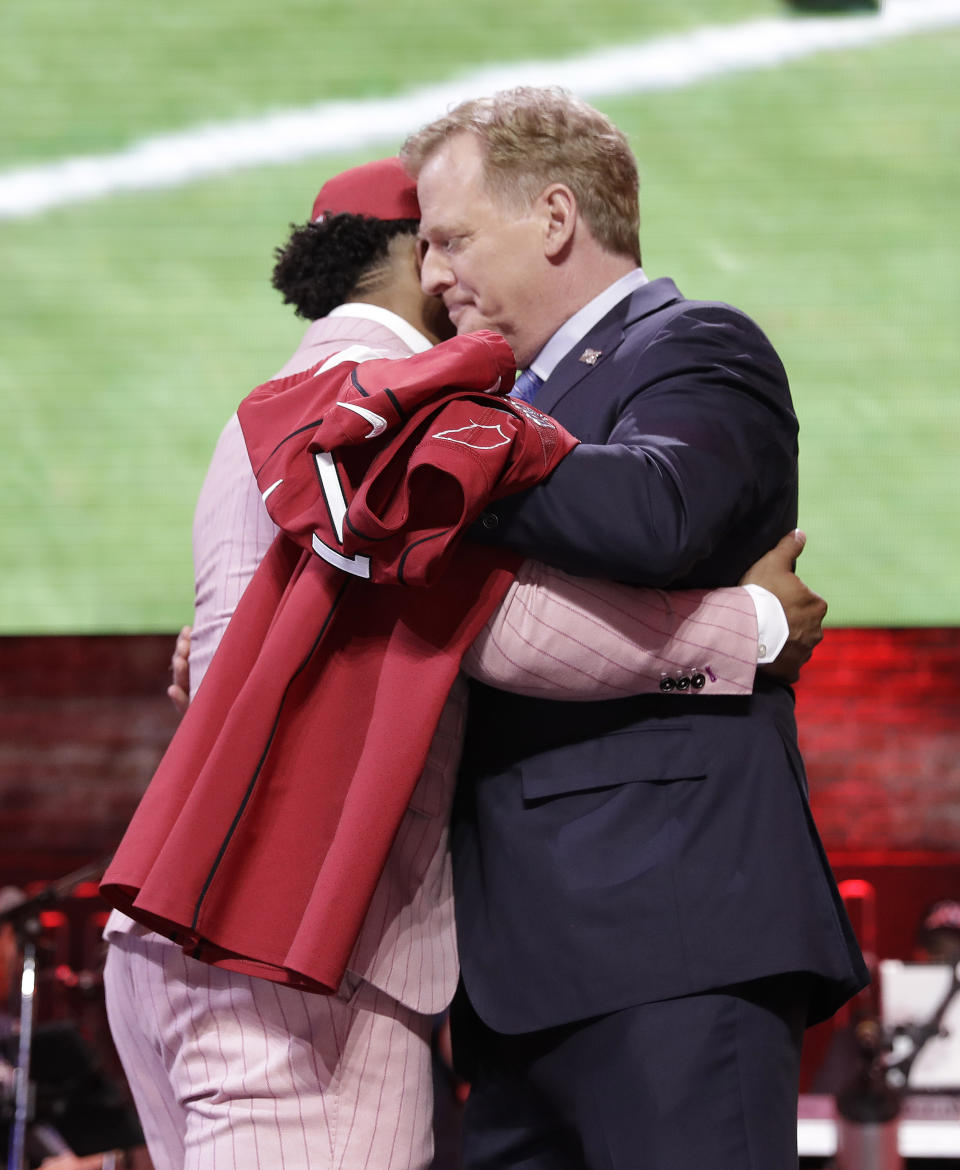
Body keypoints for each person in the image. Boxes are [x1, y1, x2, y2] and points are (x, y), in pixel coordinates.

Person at [101, 158, 826, 1170]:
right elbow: (498, 625)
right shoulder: (396, 409)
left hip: (175, 923)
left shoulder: (259, 414)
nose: (453, 277)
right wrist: (750, 626)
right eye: (438, 242)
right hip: (298, 933)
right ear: (406, 257)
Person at [401, 88, 869, 1170]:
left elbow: (656, 511)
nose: (432, 275)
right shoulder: (523, 390)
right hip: (519, 982)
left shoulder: (697, 344)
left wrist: (443, 465)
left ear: (556, 217)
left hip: (671, 949)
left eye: (452, 238)